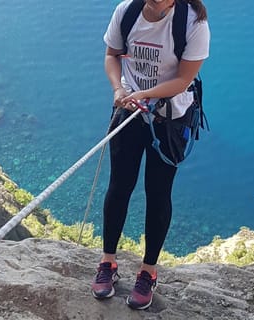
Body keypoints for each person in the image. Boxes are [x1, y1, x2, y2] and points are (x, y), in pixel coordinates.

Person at [91, 0, 209, 310]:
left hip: (169, 119)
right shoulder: (127, 11)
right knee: (119, 187)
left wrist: (143, 94)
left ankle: (148, 271)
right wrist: (118, 89)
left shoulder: (192, 22)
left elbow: (183, 80)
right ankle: (108, 262)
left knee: (158, 193)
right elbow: (112, 56)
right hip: (129, 111)